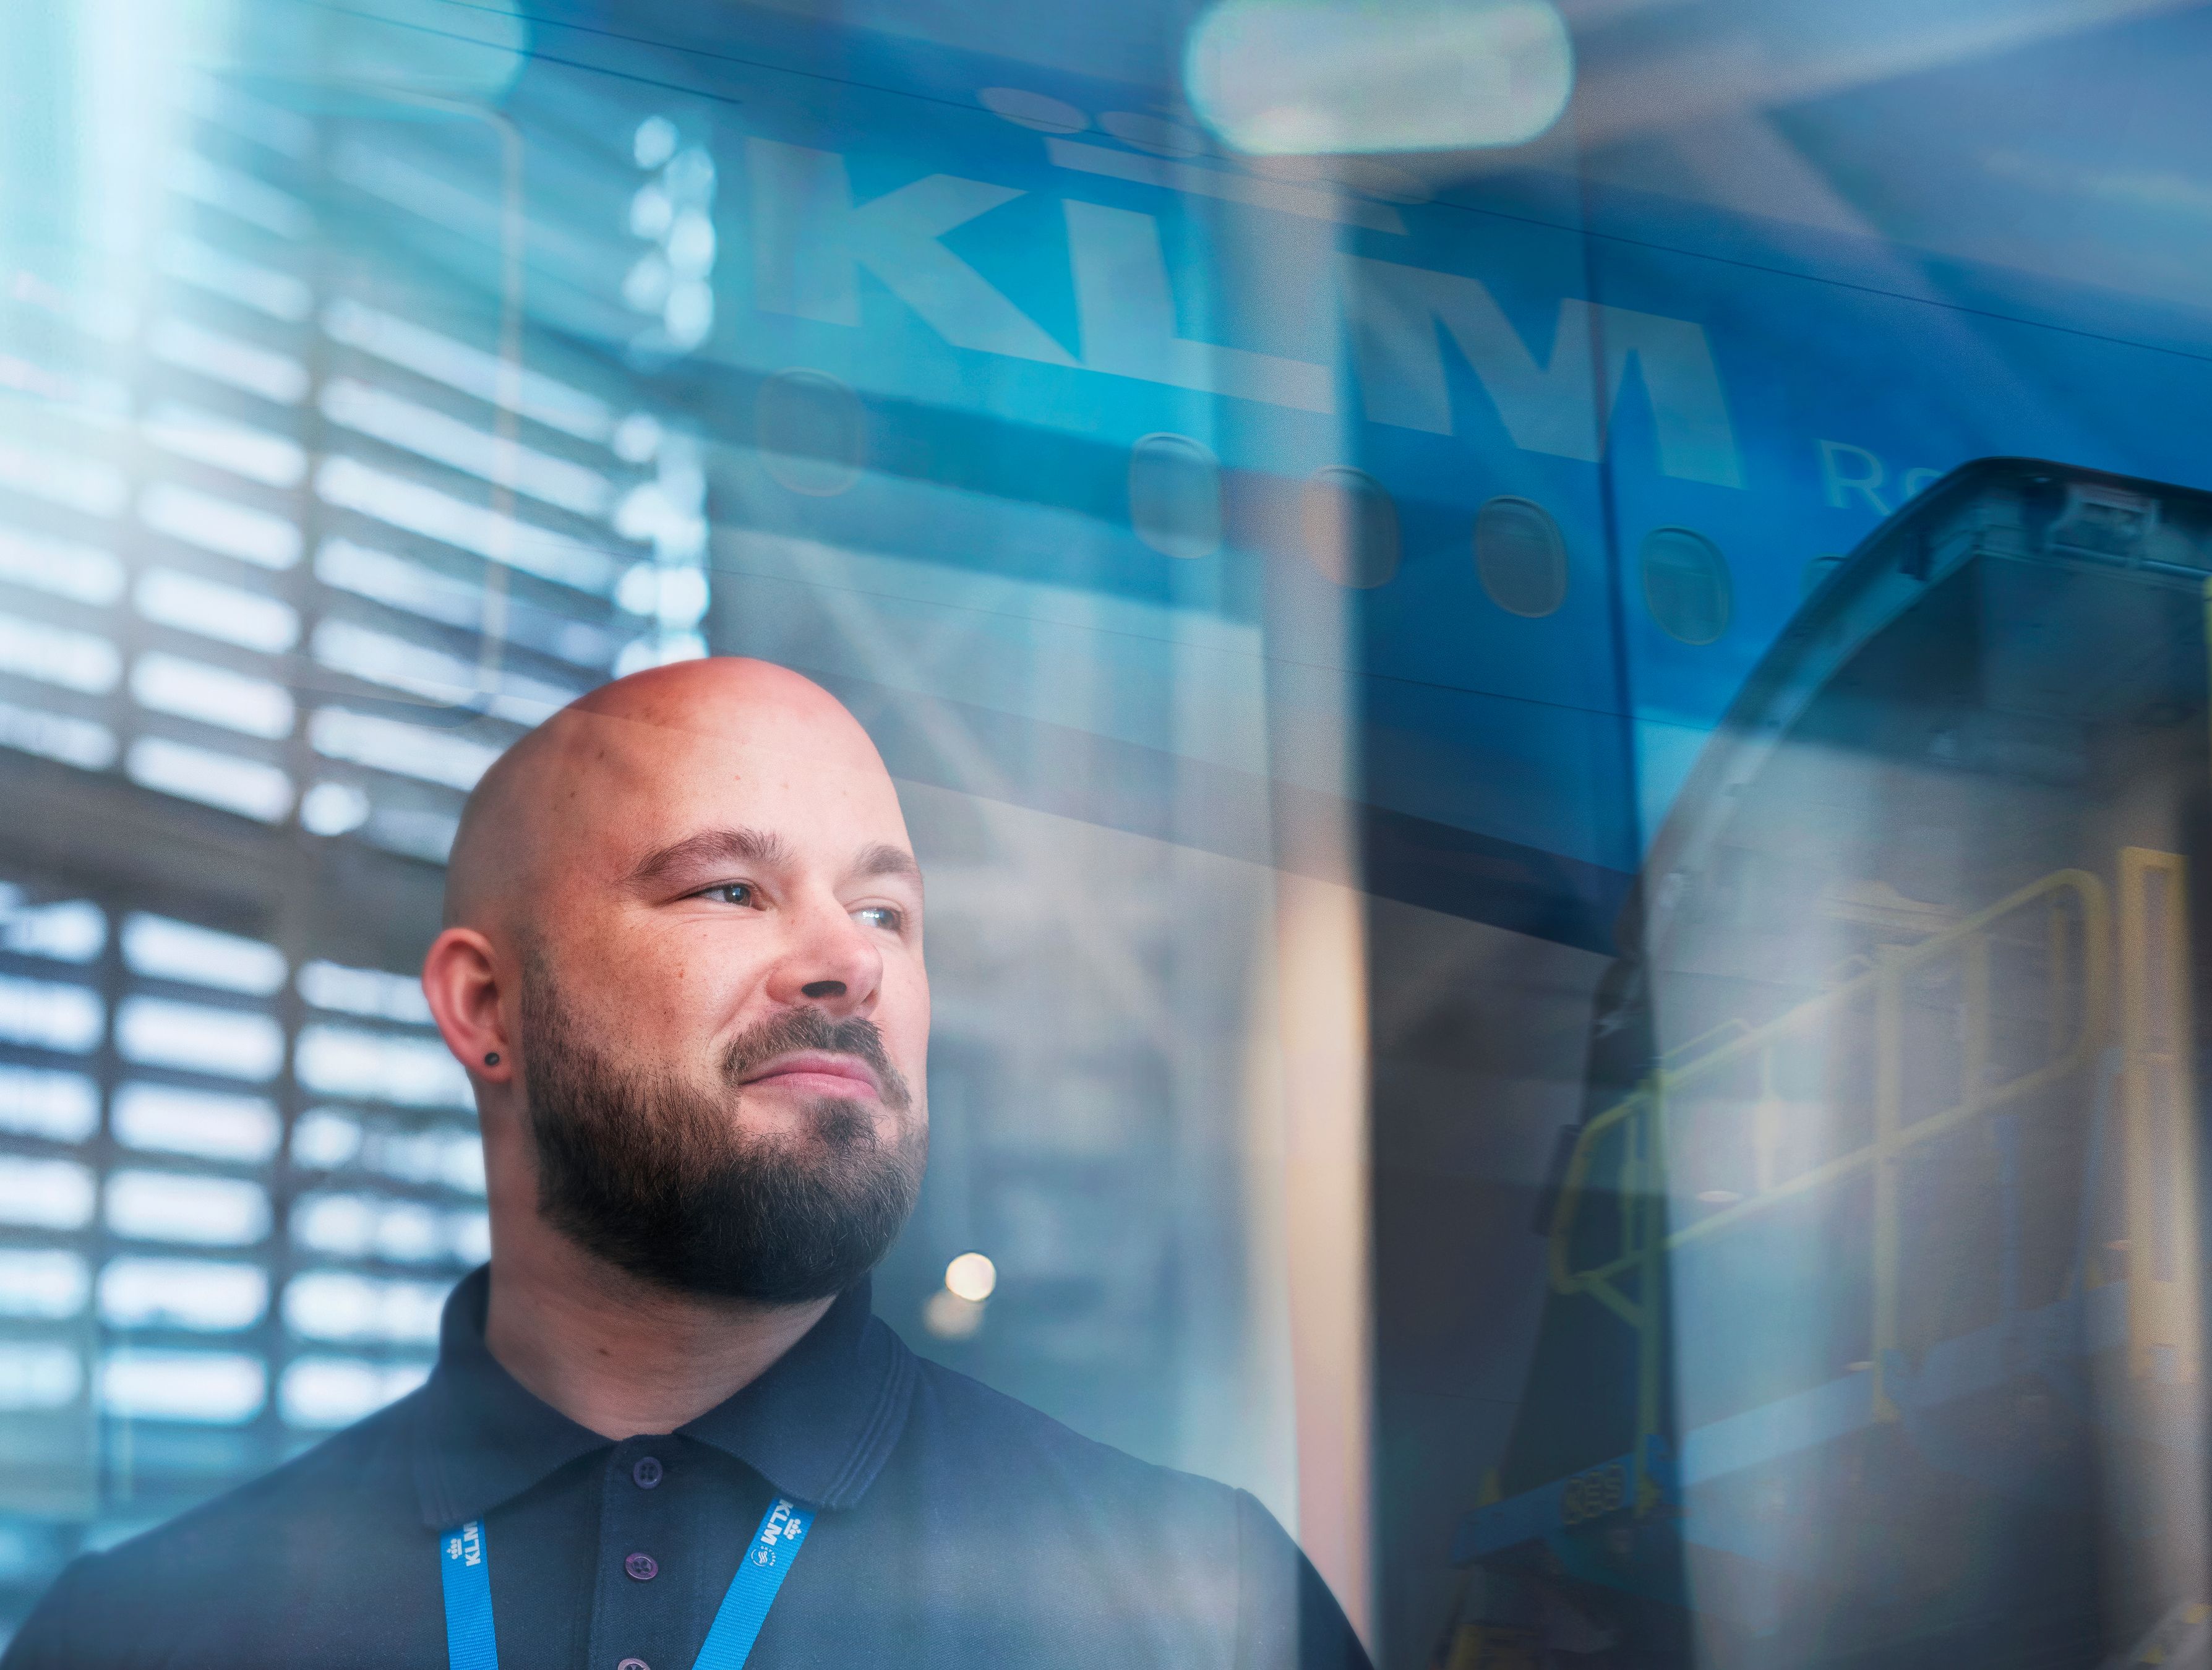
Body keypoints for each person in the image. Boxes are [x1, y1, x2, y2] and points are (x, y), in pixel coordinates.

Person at [3, 658, 1370, 1670]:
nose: (851, 959)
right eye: (730, 888)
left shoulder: (1205, 1605)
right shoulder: (135, 1634)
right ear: (488, 1009)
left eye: (885, 907)